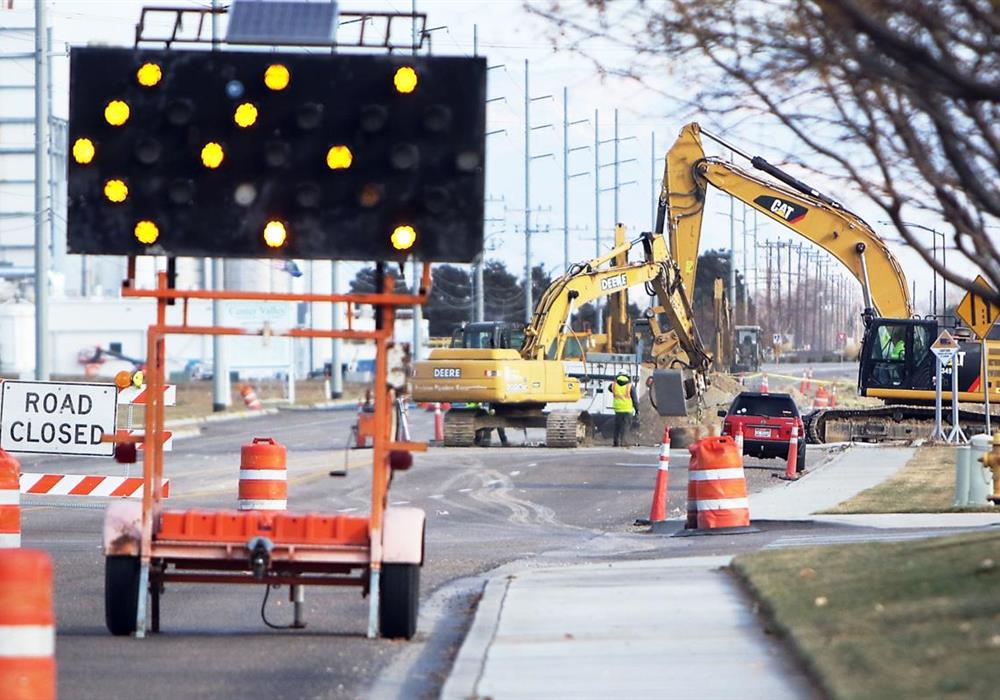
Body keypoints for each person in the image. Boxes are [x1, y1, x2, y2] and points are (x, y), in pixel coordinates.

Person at [609, 372, 638, 447]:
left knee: (617, 427)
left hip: (618, 410)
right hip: (627, 410)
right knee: (625, 427)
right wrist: (637, 410)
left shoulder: (614, 385)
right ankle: (623, 441)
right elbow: (635, 399)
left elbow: (609, 388)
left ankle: (616, 442)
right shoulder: (630, 386)